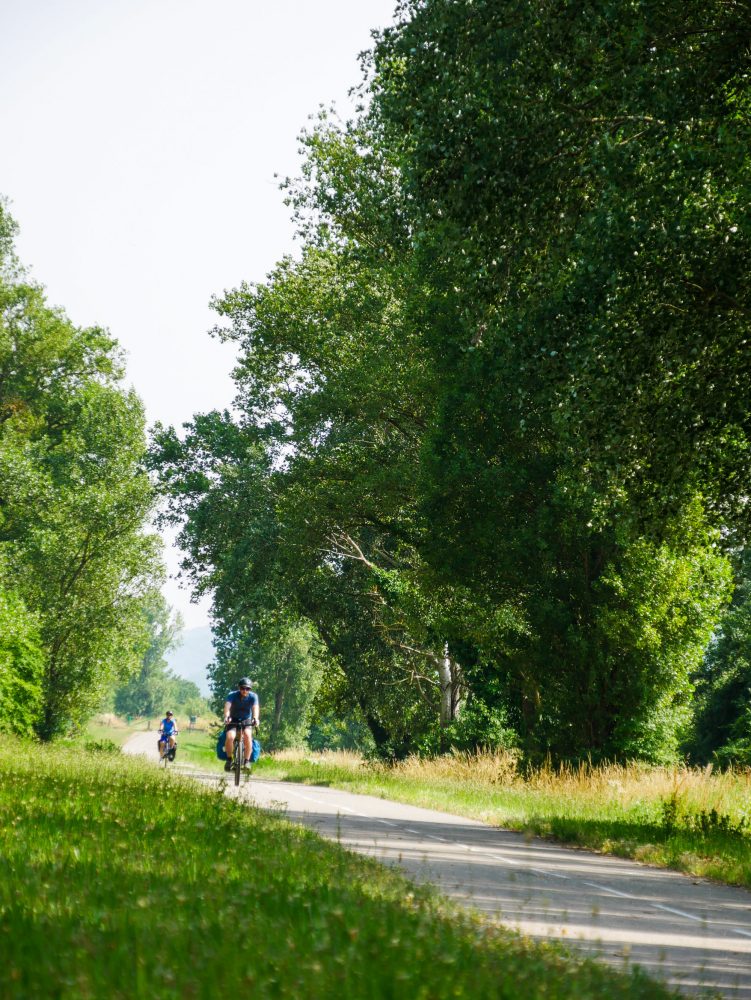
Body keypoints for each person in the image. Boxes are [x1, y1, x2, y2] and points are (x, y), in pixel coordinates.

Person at [223, 678, 259, 771]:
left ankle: (247, 761)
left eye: (248, 689)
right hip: (233, 719)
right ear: (239, 688)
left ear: (250, 689)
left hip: (246, 719)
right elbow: (227, 706)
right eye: (243, 688)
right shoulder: (232, 695)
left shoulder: (253, 696)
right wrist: (226, 716)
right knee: (230, 737)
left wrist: (255, 718)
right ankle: (229, 759)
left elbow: (255, 708)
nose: (245, 691)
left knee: (247, 735)